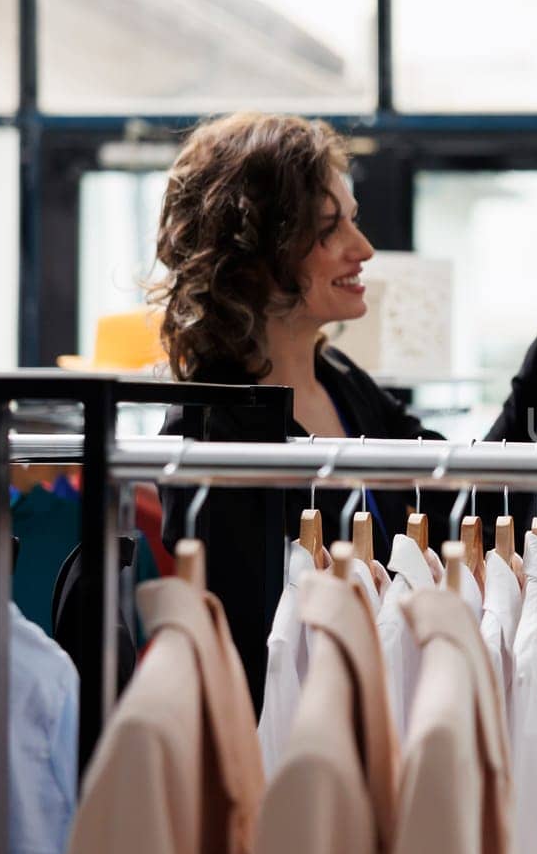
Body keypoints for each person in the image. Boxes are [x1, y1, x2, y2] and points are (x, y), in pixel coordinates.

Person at [150, 112, 445, 694]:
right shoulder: (210, 435)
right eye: (329, 230)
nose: (362, 248)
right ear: (258, 252)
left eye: (353, 221)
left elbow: (457, 480)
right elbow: (244, 661)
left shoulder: (338, 377)